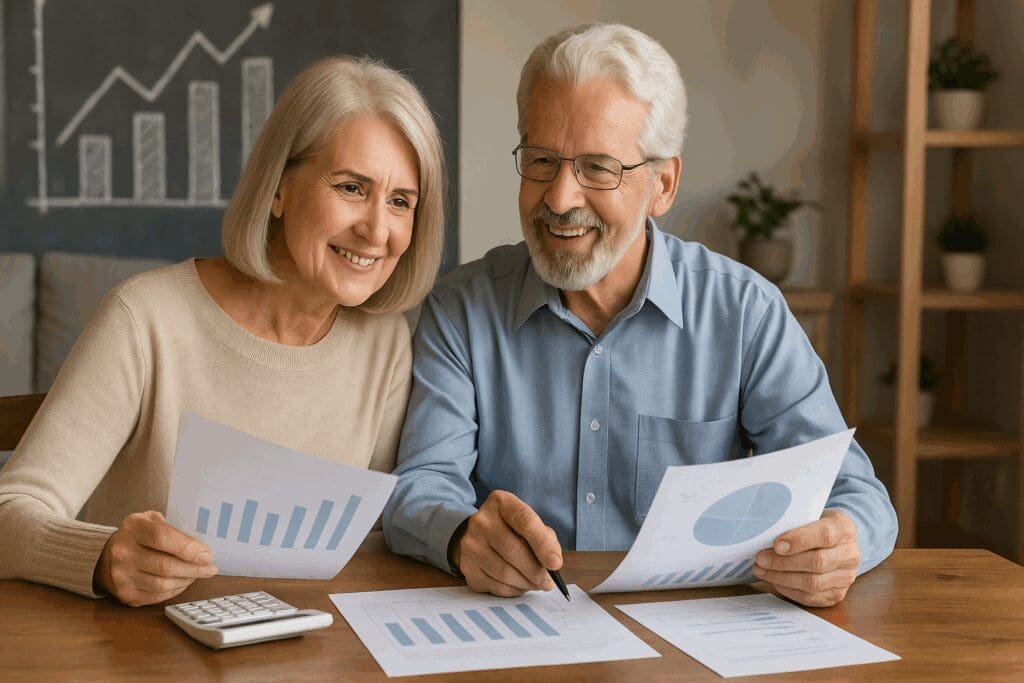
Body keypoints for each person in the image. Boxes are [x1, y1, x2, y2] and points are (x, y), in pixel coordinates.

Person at [383, 23, 897, 608]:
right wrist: (460, 537)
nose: (559, 198)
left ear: (663, 184)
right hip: (517, 632)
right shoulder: (461, 310)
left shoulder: (745, 313)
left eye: (599, 168)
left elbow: (856, 493)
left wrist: (840, 543)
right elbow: (421, 486)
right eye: (542, 160)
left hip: (693, 646)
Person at [0, 56, 445, 606]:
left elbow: (373, 544)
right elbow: (11, 513)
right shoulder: (145, 318)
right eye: (352, 188)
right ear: (279, 189)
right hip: (139, 652)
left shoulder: (386, 343)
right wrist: (104, 558)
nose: (377, 229)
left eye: (401, 202)